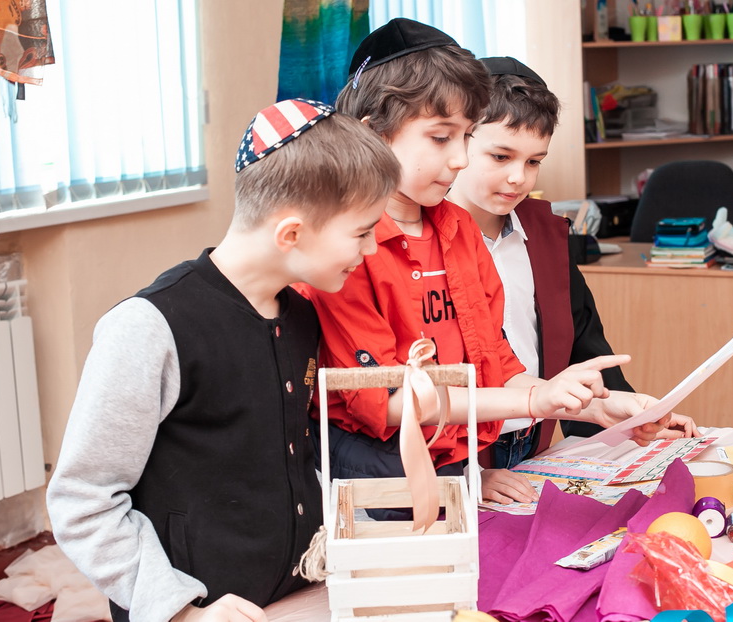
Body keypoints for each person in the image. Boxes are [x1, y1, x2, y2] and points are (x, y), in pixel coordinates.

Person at [297, 19, 676, 510]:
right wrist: (532, 402)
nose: (459, 160)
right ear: (372, 134)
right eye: (442, 138)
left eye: (465, 138)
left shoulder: (457, 228)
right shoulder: (345, 251)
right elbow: (386, 402)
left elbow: (495, 362)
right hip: (376, 486)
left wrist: (590, 404)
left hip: (457, 472)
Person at [46, 99, 402, 622]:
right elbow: (83, 502)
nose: (371, 250)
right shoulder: (148, 328)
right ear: (291, 233)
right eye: (362, 232)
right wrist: (182, 610)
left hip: (296, 599)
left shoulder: (301, 315)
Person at [447, 58, 699, 482]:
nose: (518, 178)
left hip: (533, 445)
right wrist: (462, 475)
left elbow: (583, 341)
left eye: (534, 162)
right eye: (500, 156)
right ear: (457, 143)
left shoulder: (547, 234)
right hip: (460, 455)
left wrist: (633, 417)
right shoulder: (426, 243)